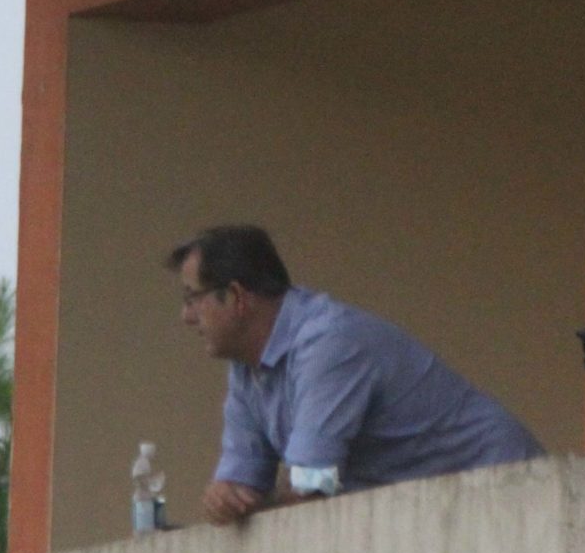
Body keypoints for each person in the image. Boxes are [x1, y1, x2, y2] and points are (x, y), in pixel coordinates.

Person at [170, 224, 545, 525]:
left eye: (192, 298)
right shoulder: (246, 368)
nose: (186, 317)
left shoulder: (328, 343)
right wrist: (225, 500)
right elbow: (241, 486)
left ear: (237, 297)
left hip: (506, 489)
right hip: (436, 507)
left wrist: (248, 508)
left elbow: (312, 486)